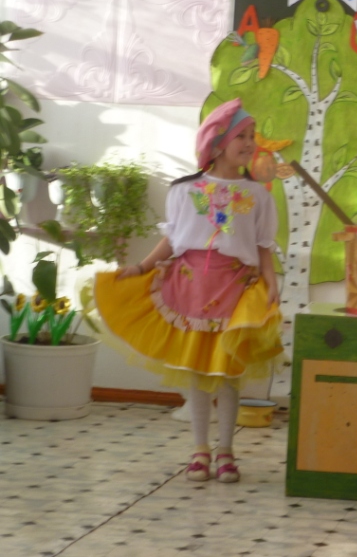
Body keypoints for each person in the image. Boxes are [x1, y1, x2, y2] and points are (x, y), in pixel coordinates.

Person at [94, 99, 282, 484]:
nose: (250, 143)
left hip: (235, 289)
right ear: (217, 142)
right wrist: (142, 267)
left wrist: (271, 281)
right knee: (197, 373)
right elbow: (173, 240)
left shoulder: (259, 194)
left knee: (228, 374)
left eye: (252, 135)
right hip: (190, 288)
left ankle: (226, 451)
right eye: (241, 136)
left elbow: (263, 245)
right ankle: (200, 450)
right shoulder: (185, 190)